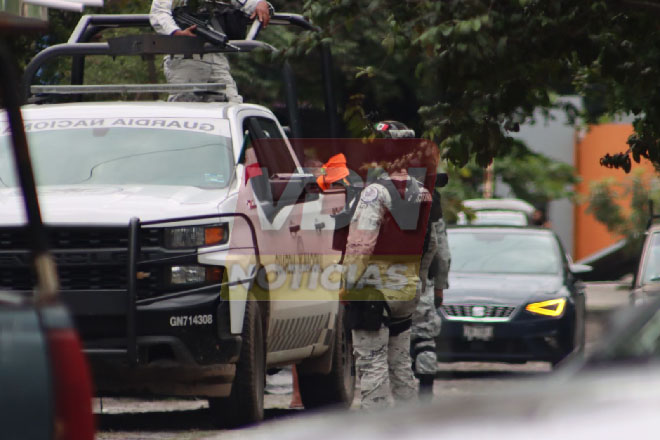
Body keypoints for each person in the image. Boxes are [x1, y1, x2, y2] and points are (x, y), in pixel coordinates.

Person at [341, 121, 433, 410]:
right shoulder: (423, 192)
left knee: (371, 363)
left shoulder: (375, 193)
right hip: (406, 290)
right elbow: (429, 246)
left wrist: (348, 284)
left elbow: (361, 245)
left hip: (374, 291)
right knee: (400, 363)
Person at [150, 0, 271, 103]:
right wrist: (176, 33)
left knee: (231, 104)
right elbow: (158, 12)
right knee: (185, 109)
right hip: (186, 57)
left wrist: (259, 3)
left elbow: (246, 3)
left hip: (215, 53)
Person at [411, 190, 450, 401]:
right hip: (422, 280)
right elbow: (442, 254)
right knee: (425, 339)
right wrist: (440, 288)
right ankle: (425, 394)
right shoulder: (431, 206)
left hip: (386, 280)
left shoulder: (381, 193)